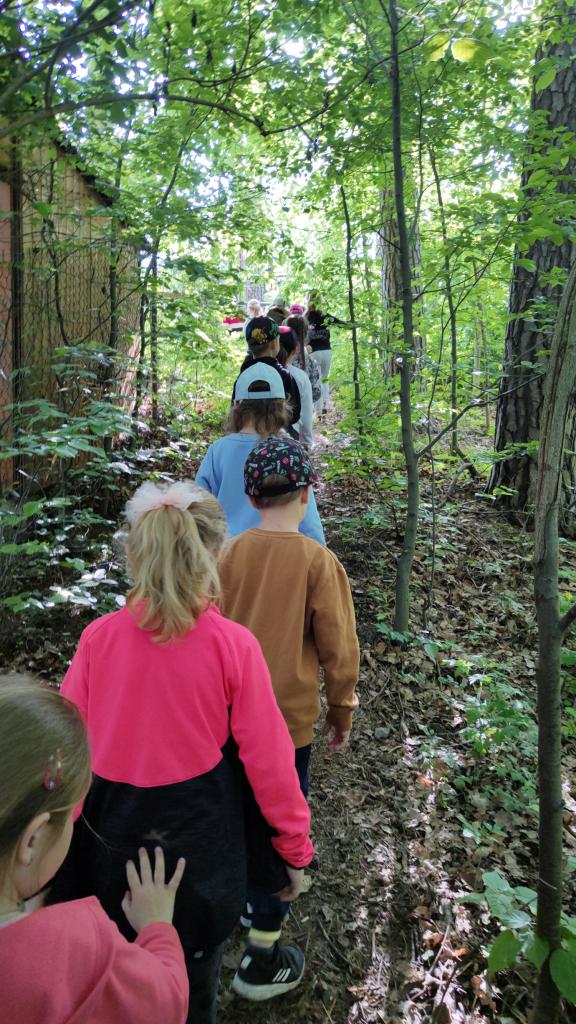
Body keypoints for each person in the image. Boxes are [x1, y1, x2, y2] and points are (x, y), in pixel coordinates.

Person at [50, 484, 314, 1023]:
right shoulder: (233, 646)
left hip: (107, 846)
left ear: (135, 554)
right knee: (191, 986)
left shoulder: (98, 639)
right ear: (214, 554)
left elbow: (63, 750)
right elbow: (271, 765)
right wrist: (292, 850)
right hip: (200, 853)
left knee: (108, 977)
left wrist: (45, 857)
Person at [218, 437, 360, 994]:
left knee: (235, 812)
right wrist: (342, 708)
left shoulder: (225, 555)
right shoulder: (318, 562)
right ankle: (261, 952)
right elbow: (339, 648)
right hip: (287, 726)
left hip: (224, 722)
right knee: (279, 821)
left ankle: (241, 897)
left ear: (252, 497)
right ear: (307, 493)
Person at [0, 674, 189, 1024]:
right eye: (72, 814)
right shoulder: (80, 948)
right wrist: (157, 927)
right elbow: (166, 1002)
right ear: (32, 840)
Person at [198, 363, 325, 544]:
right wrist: (319, 552)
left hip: (228, 552)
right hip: (280, 551)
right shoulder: (290, 453)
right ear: (281, 406)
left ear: (237, 405)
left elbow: (199, 506)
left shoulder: (217, 450)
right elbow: (309, 522)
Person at [234, 315, 301, 432]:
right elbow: (294, 414)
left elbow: (235, 407)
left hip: (247, 433)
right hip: (276, 434)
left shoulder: (243, 376)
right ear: (274, 343)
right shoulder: (284, 375)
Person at [305, 291, 349, 416]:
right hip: (326, 351)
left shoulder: (305, 317)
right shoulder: (325, 316)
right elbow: (342, 324)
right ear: (321, 301)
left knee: (316, 380)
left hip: (313, 352)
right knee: (324, 379)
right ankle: (325, 405)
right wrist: (356, 323)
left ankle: (319, 410)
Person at [277, 324, 314, 448]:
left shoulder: (259, 372)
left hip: (259, 438)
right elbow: (306, 413)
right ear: (296, 349)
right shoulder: (300, 376)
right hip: (290, 437)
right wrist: (307, 442)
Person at [285, 313, 322, 405]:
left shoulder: (280, 354)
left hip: (284, 407)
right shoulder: (308, 358)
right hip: (304, 407)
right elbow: (316, 392)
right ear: (305, 333)